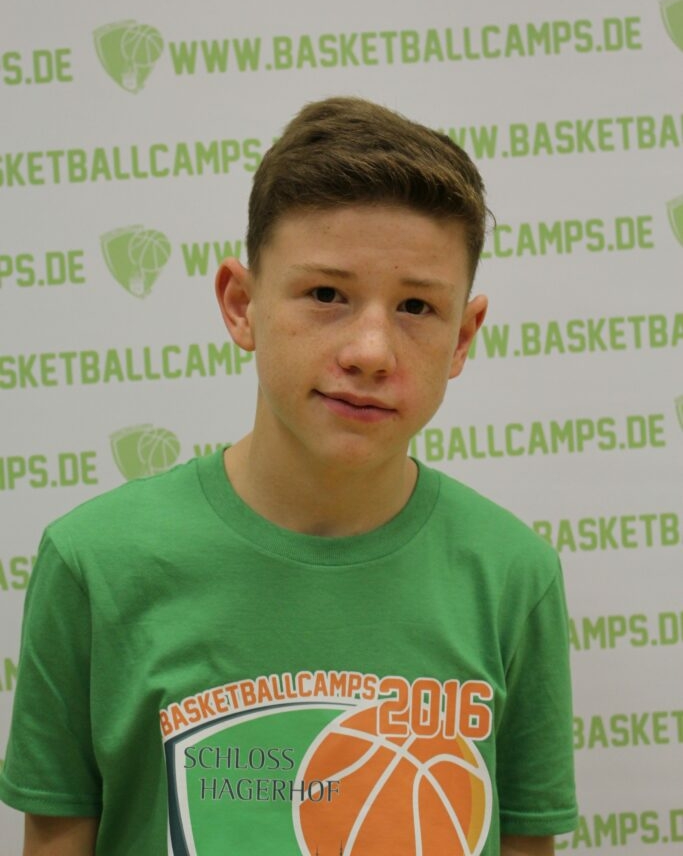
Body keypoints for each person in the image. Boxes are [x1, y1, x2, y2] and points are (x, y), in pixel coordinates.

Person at [0, 97, 577, 855]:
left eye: (415, 306)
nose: (370, 351)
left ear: (462, 336)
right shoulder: (96, 563)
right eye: (327, 295)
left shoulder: (512, 576)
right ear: (241, 305)